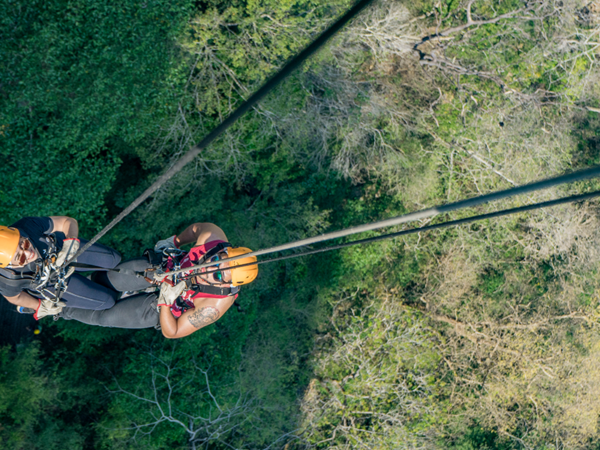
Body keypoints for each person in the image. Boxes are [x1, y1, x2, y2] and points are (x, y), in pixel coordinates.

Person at [59, 222, 259, 339]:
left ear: (226, 284)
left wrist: (164, 302)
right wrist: (175, 242)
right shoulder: (211, 239)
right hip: (164, 269)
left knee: (105, 317)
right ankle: (66, 282)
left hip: (166, 306)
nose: (209, 268)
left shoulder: (213, 305)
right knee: (105, 279)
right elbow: (196, 229)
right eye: (216, 260)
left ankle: (57, 308)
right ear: (224, 251)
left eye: (217, 275)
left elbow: (173, 331)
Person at [0, 216, 122, 319]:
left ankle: (99, 278)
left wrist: (71, 243)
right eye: (20, 258)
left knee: (114, 259)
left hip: (62, 250)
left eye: (24, 244)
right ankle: (65, 311)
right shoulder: (7, 279)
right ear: (10, 265)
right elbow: (15, 297)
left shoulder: (27, 226)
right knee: (108, 301)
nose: (28, 253)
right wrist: (39, 306)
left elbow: (67, 221)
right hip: (51, 283)